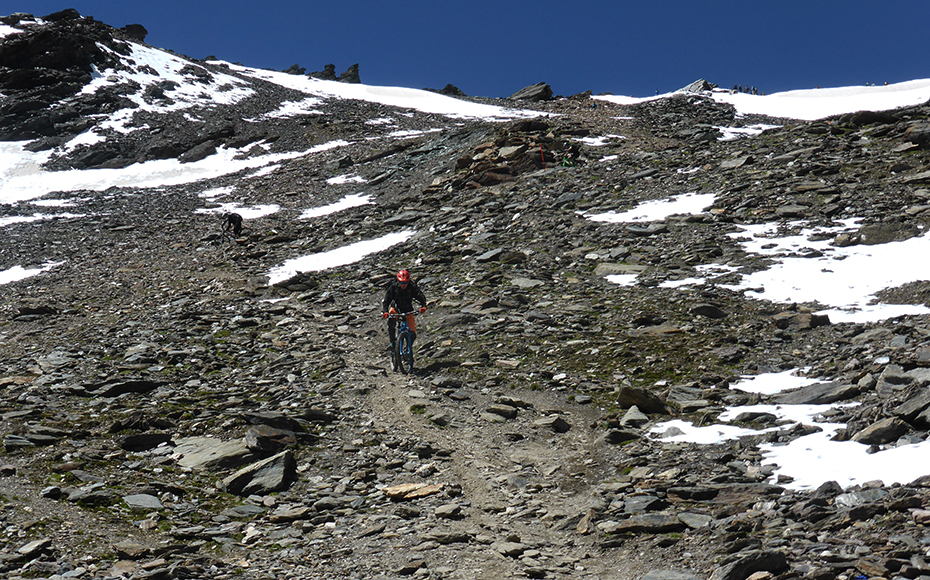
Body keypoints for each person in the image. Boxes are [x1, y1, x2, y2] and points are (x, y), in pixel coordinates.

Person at [381, 269, 427, 350]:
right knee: (391, 319)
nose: (403, 284)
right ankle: (392, 342)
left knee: (412, 333)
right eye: (401, 282)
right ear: (398, 281)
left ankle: (407, 348)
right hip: (396, 308)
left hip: (408, 309)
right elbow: (386, 300)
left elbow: (419, 295)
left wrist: (423, 306)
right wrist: (385, 311)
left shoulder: (412, 287)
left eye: (405, 282)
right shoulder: (393, 288)